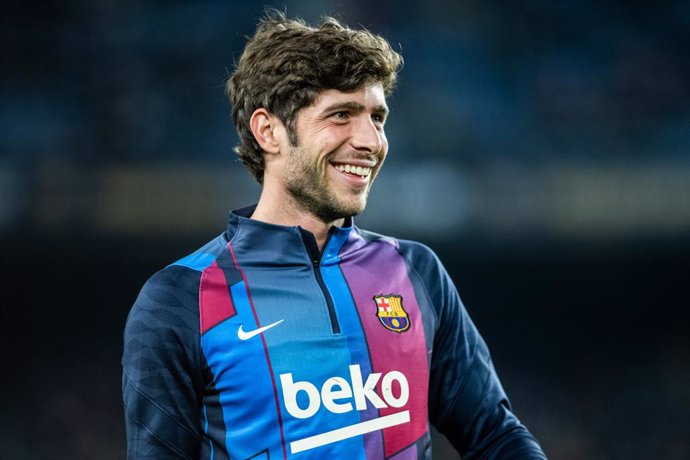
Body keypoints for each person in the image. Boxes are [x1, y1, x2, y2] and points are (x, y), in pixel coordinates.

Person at [122, 11, 547, 460]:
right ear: (268, 130)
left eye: (377, 117)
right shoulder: (180, 299)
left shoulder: (415, 271)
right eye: (341, 115)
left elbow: (496, 436)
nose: (370, 140)